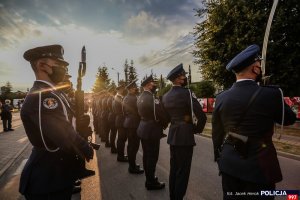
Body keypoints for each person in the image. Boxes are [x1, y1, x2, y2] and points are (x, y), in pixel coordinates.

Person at [212, 44, 297, 200]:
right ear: (256, 69)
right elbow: (289, 119)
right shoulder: (271, 94)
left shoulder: (221, 97)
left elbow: (217, 134)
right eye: (259, 65)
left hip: (229, 163)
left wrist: (219, 157)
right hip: (259, 167)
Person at [20, 44, 94, 200]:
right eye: (59, 64)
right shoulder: (44, 97)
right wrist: (85, 147)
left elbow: (66, 123)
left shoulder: (52, 93)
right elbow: (64, 136)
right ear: (42, 66)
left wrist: (78, 122)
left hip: (55, 175)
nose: (64, 69)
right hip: (47, 180)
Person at [162, 63, 207, 200]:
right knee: (183, 171)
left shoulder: (165, 96)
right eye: (183, 76)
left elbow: (166, 118)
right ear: (177, 79)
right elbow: (202, 116)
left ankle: (173, 196)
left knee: (174, 169)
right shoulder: (186, 93)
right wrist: (196, 129)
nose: (185, 78)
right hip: (185, 136)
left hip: (173, 134)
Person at [137, 75, 167, 190]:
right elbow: (159, 115)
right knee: (152, 157)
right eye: (153, 83)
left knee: (146, 155)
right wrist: (165, 123)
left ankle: (149, 178)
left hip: (143, 128)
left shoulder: (140, 97)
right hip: (152, 130)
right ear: (148, 84)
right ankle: (151, 181)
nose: (155, 85)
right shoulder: (151, 98)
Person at [123, 80, 144, 174]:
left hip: (128, 122)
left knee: (130, 145)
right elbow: (139, 111)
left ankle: (132, 165)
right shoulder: (135, 98)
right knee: (134, 146)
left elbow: (123, 112)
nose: (136, 88)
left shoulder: (125, 98)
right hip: (134, 124)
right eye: (134, 87)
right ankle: (132, 167)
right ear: (131, 89)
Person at [113, 84, 129, 162]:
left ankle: (121, 155)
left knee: (121, 139)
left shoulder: (116, 97)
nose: (123, 90)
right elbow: (124, 110)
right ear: (119, 90)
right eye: (122, 89)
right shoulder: (119, 98)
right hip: (121, 120)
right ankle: (121, 156)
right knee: (121, 139)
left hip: (119, 119)